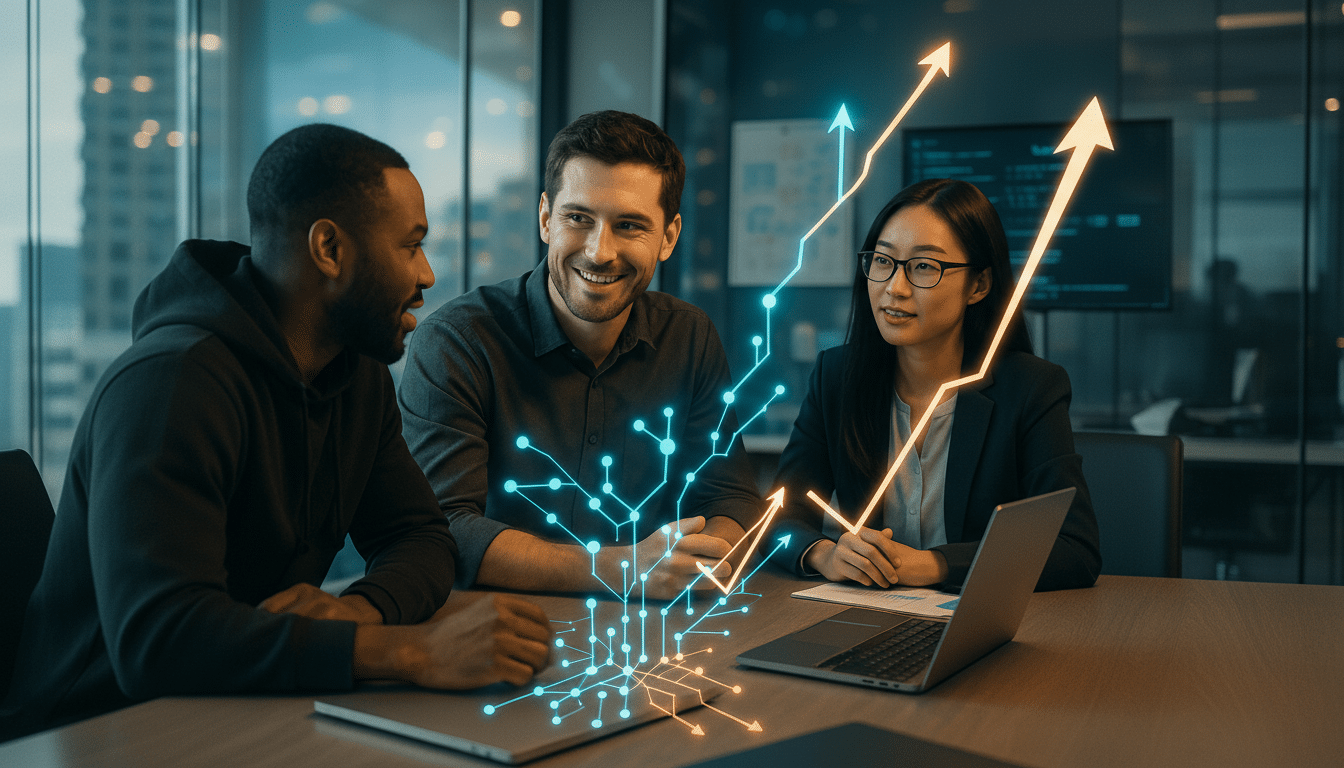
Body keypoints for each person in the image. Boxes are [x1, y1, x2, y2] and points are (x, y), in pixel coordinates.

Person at [0, 124, 551, 741]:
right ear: (329, 249)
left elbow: (420, 536)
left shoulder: (356, 375)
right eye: (411, 245)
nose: (426, 274)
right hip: (93, 732)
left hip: (247, 706)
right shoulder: (171, 383)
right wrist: (408, 651)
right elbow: (157, 639)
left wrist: (356, 613)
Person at [399, 111, 761, 599]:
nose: (598, 251)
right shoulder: (458, 341)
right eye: (578, 218)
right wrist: (625, 570)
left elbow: (730, 496)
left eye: (629, 225)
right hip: (491, 624)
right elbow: (442, 528)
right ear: (545, 218)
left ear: (669, 237)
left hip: (652, 626)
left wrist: (697, 562)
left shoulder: (689, 336)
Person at [769, 178, 1101, 591]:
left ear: (978, 285)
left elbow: (1073, 549)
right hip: (867, 613)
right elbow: (778, 516)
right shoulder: (836, 377)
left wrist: (934, 565)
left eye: (924, 266)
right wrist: (824, 554)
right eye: (883, 261)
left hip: (978, 620)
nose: (895, 288)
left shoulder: (1031, 389)